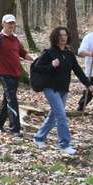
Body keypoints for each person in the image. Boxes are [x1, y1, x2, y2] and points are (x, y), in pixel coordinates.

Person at [32, 27, 93, 155]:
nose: (63, 38)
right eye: (60, 36)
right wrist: (51, 66)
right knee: (61, 115)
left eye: (65, 35)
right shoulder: (49, 53)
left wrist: (88, 85)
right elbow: (37, 67)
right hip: (50, 88)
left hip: (64, 89)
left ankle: (39, 137)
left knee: (53, 115)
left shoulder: (69, 54)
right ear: (55, 37)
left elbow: (78, 70)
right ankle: (64, 144)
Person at [0, 14, 33, 137]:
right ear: (3, 24)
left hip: (16, 73)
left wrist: (35, 60)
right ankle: (15, 129)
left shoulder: (15, 39)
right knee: (12, 100)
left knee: (7, 99)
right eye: (9, 23)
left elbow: (23, 53)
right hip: (4, 73)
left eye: (13, 23)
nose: (11, 25)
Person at [77, 28, 93, 111]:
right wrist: (90, 53)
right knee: (89, 93)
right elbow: (80, 52)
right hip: (91, 72)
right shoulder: (89, 37)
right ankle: (80, 107)